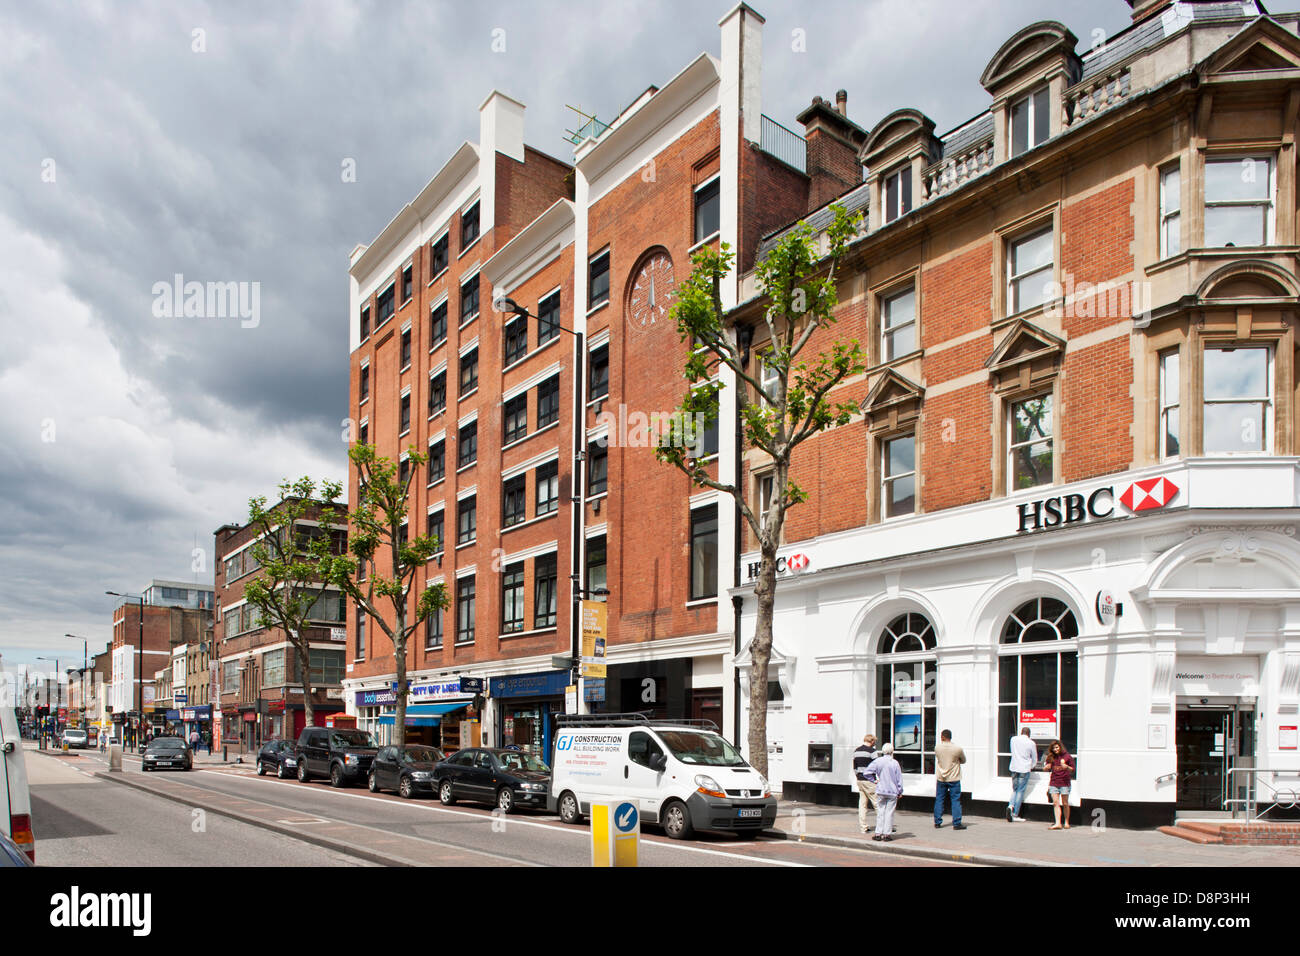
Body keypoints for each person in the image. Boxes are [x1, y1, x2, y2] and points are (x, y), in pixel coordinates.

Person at [865, 743, 903, 842]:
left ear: (882, 751)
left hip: (881, 790)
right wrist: (900, 791)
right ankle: (887, 835)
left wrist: (874, 780)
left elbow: (866, 772)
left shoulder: (878, 761)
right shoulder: (895, 763)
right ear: (892, 751)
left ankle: (878, 833)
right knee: (889, 813)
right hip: (892, 791)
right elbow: (899, 779)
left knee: (880, 812)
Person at [933, 729, 967, 830]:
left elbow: (938, 758)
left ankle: (937, 822)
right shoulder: (957, 749)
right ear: (950, 737)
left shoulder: (937, 748)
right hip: (954, 778)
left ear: (943, 737)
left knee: (939, 799)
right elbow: (963, 760)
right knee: (955, 800)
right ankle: (956, 823)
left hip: (941, 778)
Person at [1007, 728, 1038, 822]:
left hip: (1014, 768)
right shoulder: (1031, 743)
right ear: (1029, 734)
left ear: (1021, 732)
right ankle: (1015, 814)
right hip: (1024, 769)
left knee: (1015, 790)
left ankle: (1010, 806)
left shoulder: (1013, 739)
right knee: (1020, 791)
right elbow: (1035, 758)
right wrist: (1031, 766)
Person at [1043, 740, 1076, 829]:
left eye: (1057, 747)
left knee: (1065, 803)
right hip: (1054, 782)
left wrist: (1067, 767)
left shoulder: (1067, 756)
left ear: (1060, 747)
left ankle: (1066, 822)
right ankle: (1058, 823)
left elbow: (1073, 769)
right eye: (1053, 748)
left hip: (1065, 783)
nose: (1055, 749)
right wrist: (1046, 768)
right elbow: (1046, 768)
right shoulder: (1050, 757)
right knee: (1055, 803)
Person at [852, 733, 879, 833]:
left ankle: (863, 827)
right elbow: (877, 766)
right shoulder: (872, 752)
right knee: (877, 804)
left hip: (860, 780)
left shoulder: (856, 751)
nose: (874, 743)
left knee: (862, 805)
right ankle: (884, 825)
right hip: (869, 780)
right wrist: (876, 779)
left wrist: (858, 776)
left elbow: (854, 767)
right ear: (871, 741)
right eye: (874, 741)